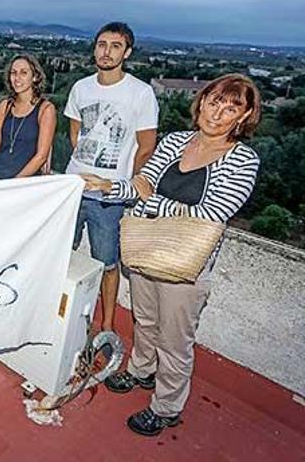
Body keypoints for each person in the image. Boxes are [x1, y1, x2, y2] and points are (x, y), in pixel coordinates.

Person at [83, 74, 261, 436]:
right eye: (214, 101)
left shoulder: (243, 160)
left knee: (175, 340)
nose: (218, 113)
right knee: (145, 322)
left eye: (231, 108)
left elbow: (210, 214)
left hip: (188, 266)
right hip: (148, 251)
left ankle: (167, 407)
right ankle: (140, 371)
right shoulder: (175, 141)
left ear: (243, 118)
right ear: (202, 101)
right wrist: (108, 186)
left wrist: (152, 198)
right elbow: (139, 184)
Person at [64, 22, 158, 332]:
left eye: (115, 46)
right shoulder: (81, 87)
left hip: (110, 197)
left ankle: (104, 325)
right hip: (74, 188)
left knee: (107, 263)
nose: (107, 51)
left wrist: (129, 190)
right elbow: (75, 135)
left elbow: (146, 148)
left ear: (127, 52)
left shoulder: (141, 93)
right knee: (62, 253)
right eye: (102, 44)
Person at [0, 54, 56, 179]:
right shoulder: (5, 106)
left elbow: (41, 156)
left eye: (23, 73)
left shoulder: (45, 109)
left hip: (24, 184)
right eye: (13, 73)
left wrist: (15, 183)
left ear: (35, 77)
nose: (17, 78)